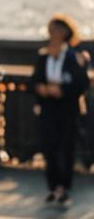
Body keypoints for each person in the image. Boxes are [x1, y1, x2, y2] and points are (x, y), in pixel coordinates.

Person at [32, 13, 90, 207]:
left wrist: (62, 90)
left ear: (65, 33)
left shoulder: (74, 57)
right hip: (48, 108)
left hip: (67, 109)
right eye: (51, 30)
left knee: (66, 148)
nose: (54, 34)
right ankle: (53, 186)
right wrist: (42, 89)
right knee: (49, 148)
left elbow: (82, 82)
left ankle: (63, 188)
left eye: (57, 30)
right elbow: (33, 81)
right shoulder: (43, 56)